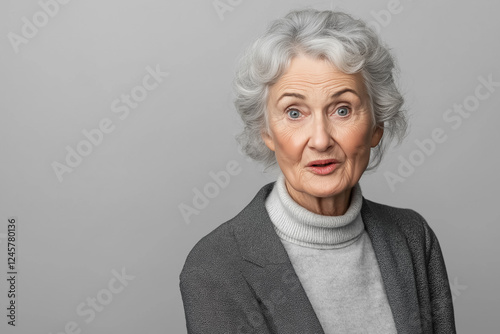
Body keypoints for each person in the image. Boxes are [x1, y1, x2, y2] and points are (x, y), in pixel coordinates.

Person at [180, 9, 456, 334]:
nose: (321, 139)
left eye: (342, 109)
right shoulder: (215, 266)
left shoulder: (412, 238)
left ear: (377, 125)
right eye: (294, 112)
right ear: (266, 131)